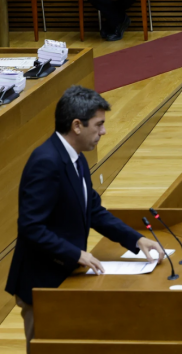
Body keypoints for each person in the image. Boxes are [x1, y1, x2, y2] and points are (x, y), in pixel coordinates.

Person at [5, 86, 165, 353]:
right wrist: (76, 253)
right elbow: (30, 227)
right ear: (77, 126)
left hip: (66, 277)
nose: (103, 132)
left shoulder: (76, 159)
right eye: (99, 125)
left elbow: (93, 211)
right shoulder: (46, 162)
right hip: (42, 285)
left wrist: (136, 240)